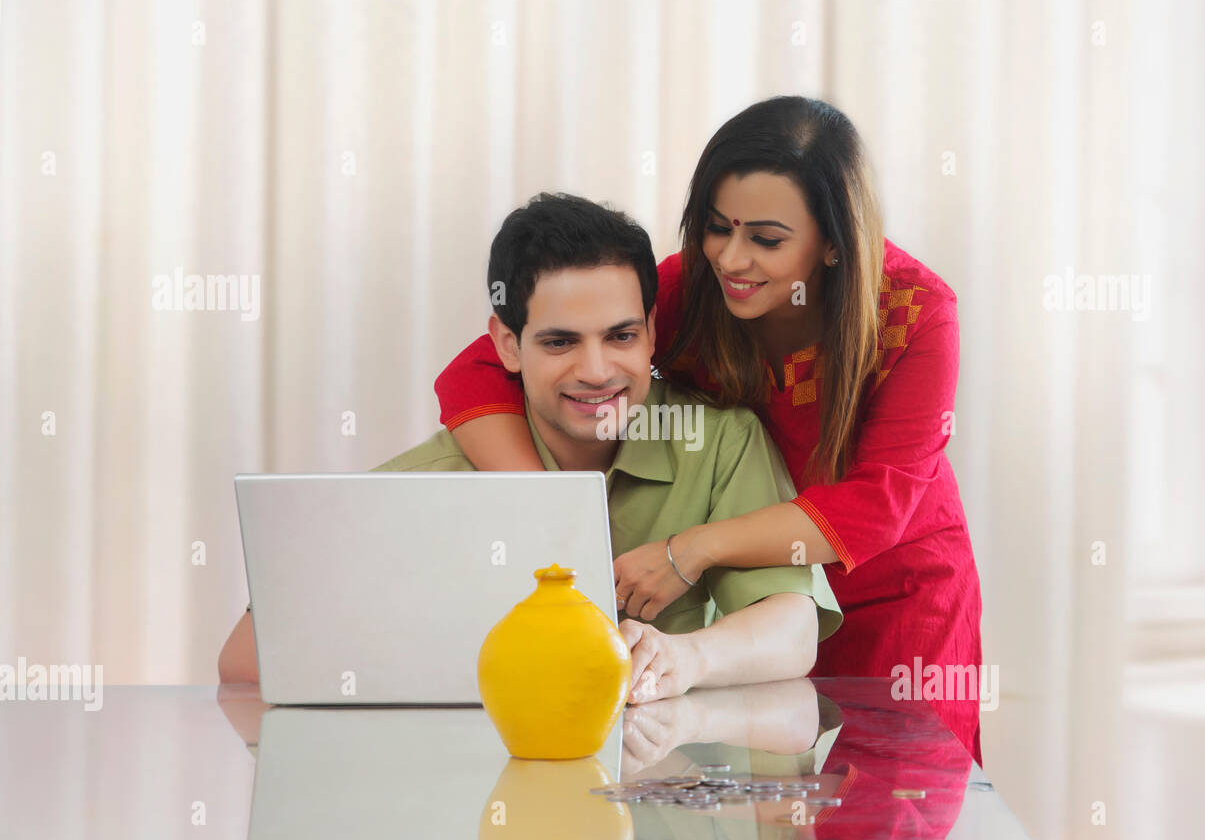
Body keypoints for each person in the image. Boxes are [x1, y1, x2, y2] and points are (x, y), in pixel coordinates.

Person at [432, 97, 985, 765]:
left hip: (896, 596)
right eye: (717, 227)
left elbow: (877, 509)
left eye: (767, 240)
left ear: (835, 241)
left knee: (891, 811)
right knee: (782, 819)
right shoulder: (692, 286)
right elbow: (478, 370)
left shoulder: (918, 315)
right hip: (772, 594)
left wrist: (690, 550)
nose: (731, 258)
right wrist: (549, 511)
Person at [219, 192, 841, 700]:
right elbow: (244, 663)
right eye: (560, 342)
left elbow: (792, 631)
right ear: (508, 345)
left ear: (653, 331)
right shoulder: (424, 483)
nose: (597, 371)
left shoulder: (721, 442)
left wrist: (686, 657)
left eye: (621, 335)